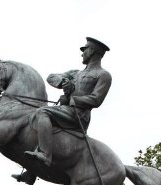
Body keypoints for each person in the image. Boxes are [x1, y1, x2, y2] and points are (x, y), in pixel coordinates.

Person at [21, 37, 112, 176]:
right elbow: (51, 77)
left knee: (43, 113)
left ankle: (45, 155)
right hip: (66, 111)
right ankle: (32, 172)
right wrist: (64, 82)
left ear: (92, 51)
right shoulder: (76, 73)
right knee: (42, 124)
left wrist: (71, 99)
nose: (82, 53)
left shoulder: (103, 75)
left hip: (79, 115)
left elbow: (96, 99)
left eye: (85, 50)